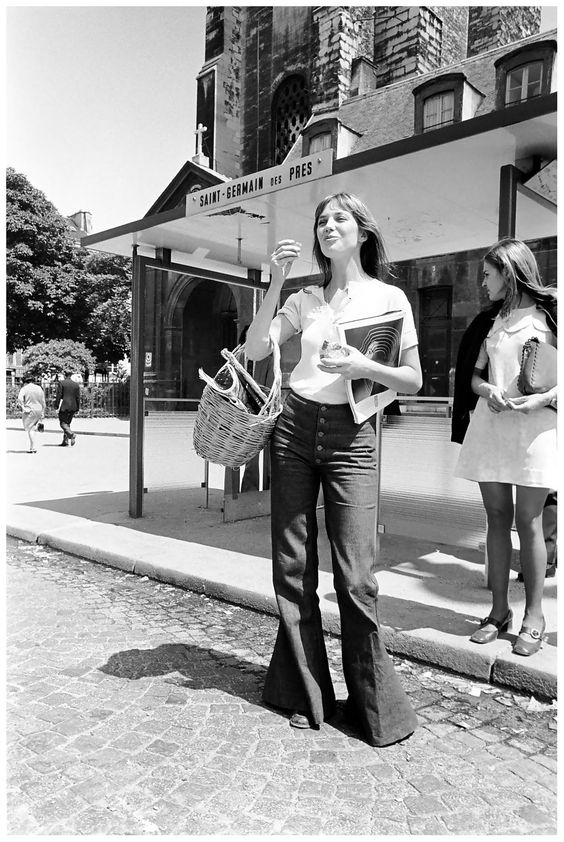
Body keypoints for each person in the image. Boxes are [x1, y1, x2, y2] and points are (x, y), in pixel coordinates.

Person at [245, 192, 422, 747]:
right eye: (321, 220)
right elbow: (255, 350)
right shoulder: (304, 298)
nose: (327, 226)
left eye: (339, 218)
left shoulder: (390, 298)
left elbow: (413, 379)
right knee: (292, 566)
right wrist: (274, 282)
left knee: (357, 575)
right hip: (294, 427)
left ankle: (374, 708)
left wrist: (363, 364)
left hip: (354, 433)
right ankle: (305, 692)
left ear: (363, 230)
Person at [452, 238, 557, 657]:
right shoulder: (490, 321)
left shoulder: (551, 315)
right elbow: (473, 378)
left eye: (487, 273)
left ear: (509, 272)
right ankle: (498, 613)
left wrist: (543, 399)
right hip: (492, 428)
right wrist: (488, 389)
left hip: (535, 431)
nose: (482, 281)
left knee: (529, 520)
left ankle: (535, 616)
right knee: (496, 517)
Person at [17, 375, 46, 454]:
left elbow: (19, 399)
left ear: (25, 382)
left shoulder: (24, 389)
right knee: (33, 427)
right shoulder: (39, 388)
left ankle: (32, 447)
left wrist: (23, 407)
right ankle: (37, 426)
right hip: (38, 409)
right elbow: (43, 401)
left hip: (29, 410)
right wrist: (43, 411)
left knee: (30, 429)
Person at [56, 370, 81, 446]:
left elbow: (59, 395)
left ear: (64, 375)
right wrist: (78, 408)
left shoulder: (62, 383)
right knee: (67, 424)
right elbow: (78, 397)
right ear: (71, 375)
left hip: (64, 405)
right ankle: (65, 441)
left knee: (62, 424)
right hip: (73, 406)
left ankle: (71, 434)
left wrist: (56, 405)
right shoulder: (76, 384)